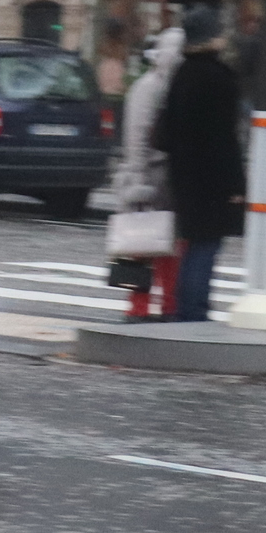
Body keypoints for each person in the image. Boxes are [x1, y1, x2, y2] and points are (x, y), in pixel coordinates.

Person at [152, 7, 243, 324]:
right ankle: (194, 311)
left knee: (193, 244)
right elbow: (225, 139)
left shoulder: (181, 75)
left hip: (184, 175)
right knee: (206, 247)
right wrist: (235, 185)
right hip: (212, 178)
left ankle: (186, 308)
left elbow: (162, 135)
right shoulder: (219, 77)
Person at [112, 26, 185, 320]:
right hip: (150, 180)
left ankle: (165, 305)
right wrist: (139, 183)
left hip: (164, 181)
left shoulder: (164, 86)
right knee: (143, 249)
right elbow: (137, 139)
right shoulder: (149, 88)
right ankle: (140, 308)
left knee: (165, 249)